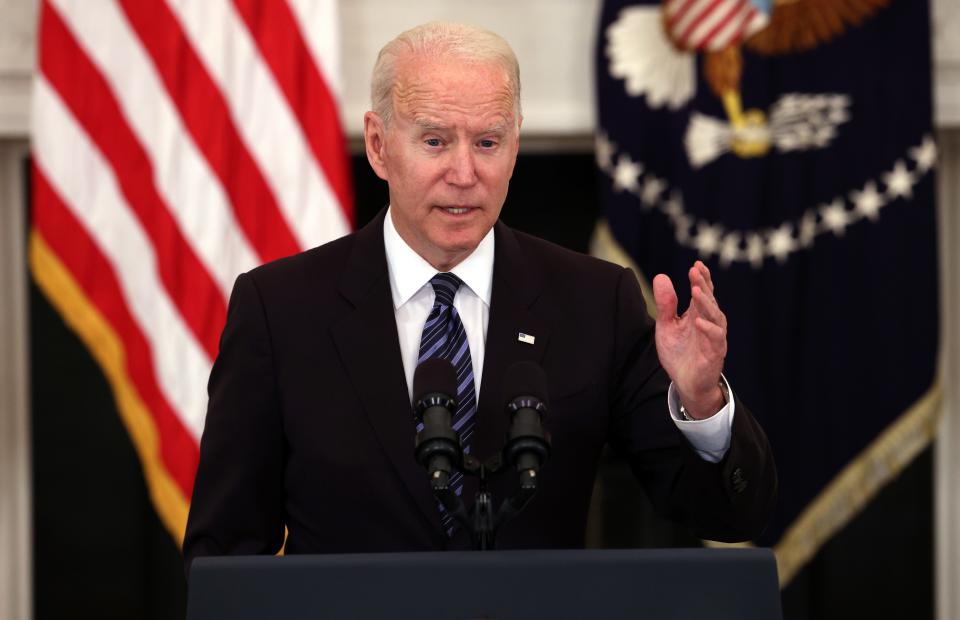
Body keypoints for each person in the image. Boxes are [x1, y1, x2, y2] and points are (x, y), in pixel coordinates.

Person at [183, 22, 776, 568]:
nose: (465, 173)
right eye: (436, 141)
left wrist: (702, 406)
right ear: (378, 143)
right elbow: (226, 556)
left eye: (488, 143)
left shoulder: (596, 302)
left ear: (515, 144)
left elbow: (726, 514)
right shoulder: (280, 311)